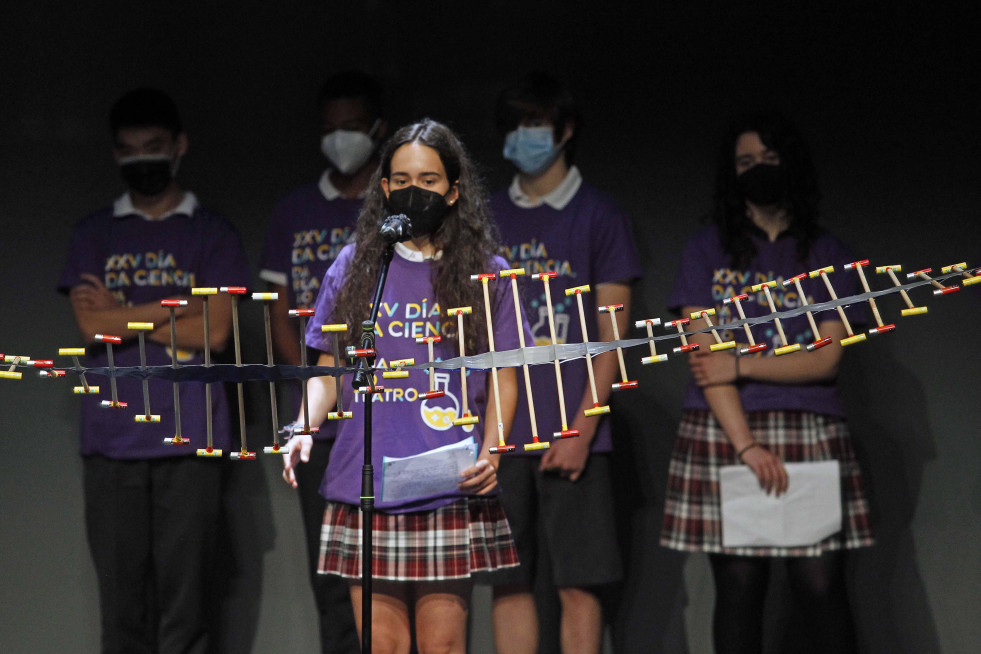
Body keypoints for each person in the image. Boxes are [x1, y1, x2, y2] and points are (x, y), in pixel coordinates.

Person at [283, 118, 525, 654]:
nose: (416, 191)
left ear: (454, 190)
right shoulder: (356, 266)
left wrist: (494, 454)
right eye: (402, 179)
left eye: (430, 180)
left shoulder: (488, 273)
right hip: (367, 484)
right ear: (385, 187)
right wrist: (302, 426)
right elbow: (330, 367)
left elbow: (505, 376)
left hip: (447, 479)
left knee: (442, 646)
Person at [660, 112, 874, 653]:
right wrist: (747, 445)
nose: (757, 170)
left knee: (821, 585)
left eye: (769, 160)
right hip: (726, 430)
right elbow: (707, 359)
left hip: (810, 426)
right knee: (738, 586)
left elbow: (825, 358)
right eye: (745, 162)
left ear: (792, 166)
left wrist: (744, 363)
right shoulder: (707, 249)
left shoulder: (826, 252)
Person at [58, 88, 251, 653]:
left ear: (179, 147)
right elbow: (91, 330)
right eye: (128, 149)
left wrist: (119, 314)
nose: (141, 159)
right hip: (111, 442)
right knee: (123, 615)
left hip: (191, 440)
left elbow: (214, 332)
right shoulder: (93, 233)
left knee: (185, 614)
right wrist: (178, 305)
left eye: (154, 146)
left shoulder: (212, 233)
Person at [488, 72, 643, 654]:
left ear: (565, 129)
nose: (523, 137)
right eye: (514, 127)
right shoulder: (487, 216)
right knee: (508, 582)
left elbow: (611, 335)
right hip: (501, 432)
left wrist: (583, 429)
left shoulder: (599, 215)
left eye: (534, 124)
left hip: (574, 429)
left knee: (579, 585)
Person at [258, 69, 387, 652]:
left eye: (353, 128)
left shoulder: (393, 211)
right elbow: (282, 312)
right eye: (330, 128)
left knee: (395, 573)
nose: (341, 139)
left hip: (390, 414)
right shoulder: (293, 211)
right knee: (334, 575)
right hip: (322, 418)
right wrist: (319, 379)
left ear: (377, 130)